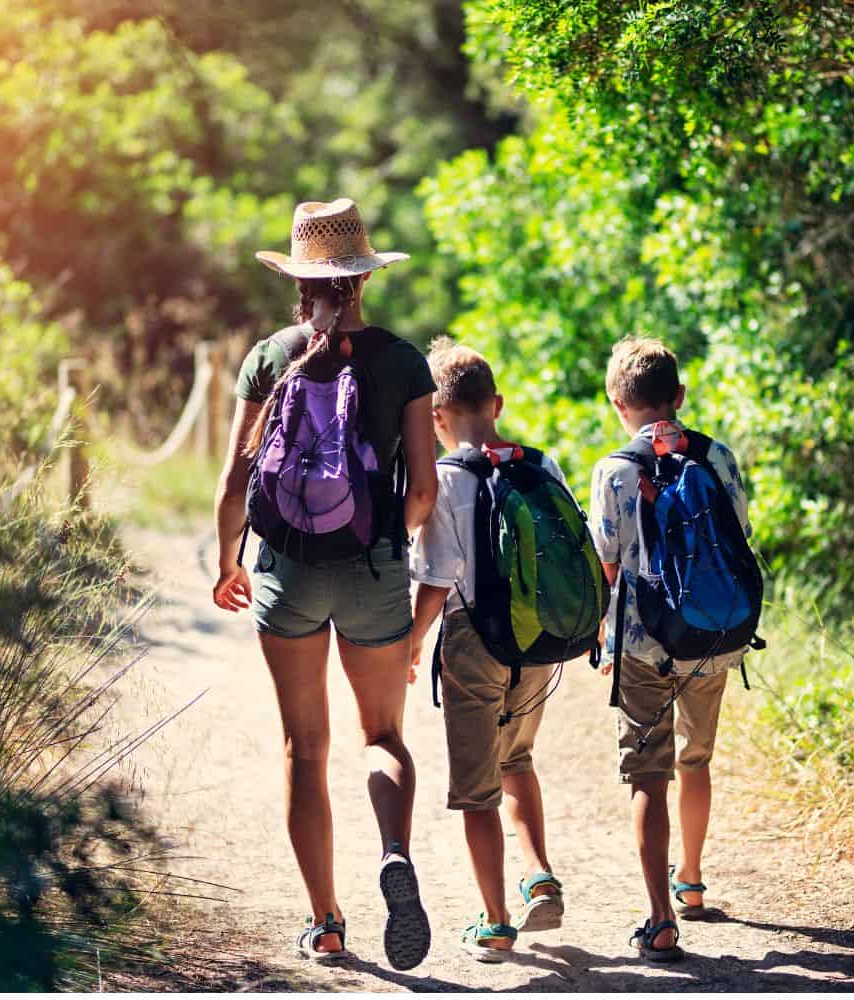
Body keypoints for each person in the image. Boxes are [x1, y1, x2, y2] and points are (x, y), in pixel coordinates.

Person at [212, 198, 438, 969]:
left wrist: (227, 563)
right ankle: (395, 852)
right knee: (383, 737)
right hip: (372, 570)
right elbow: (423, 496)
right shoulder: (404, 361)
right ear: (363, 279)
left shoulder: (268, 356)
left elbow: (235, 479)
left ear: (299, 281)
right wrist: (381, 548)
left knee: (304, 750)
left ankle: (327, 922)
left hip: (285, 575)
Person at [588, 337, 753, 963]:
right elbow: (741, 540)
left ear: (616, 401)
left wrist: (598, 636)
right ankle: (691, 877)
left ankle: (659, 919)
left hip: (642, 644)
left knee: (647, 777)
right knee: (697, 760)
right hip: (712, 637)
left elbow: (606, 563)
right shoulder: (719, 458)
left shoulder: (615, 470)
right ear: (678, 397)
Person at [407, 339, 571, 962]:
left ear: (435, 417)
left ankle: (496, 921)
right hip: (538, 641)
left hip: (475, 643)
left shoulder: (444, 480)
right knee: (518, 759)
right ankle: (539, 873)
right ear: (496, 404)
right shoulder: (541, 465)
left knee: (476, 791)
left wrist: (415, 643)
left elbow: (439, 573)